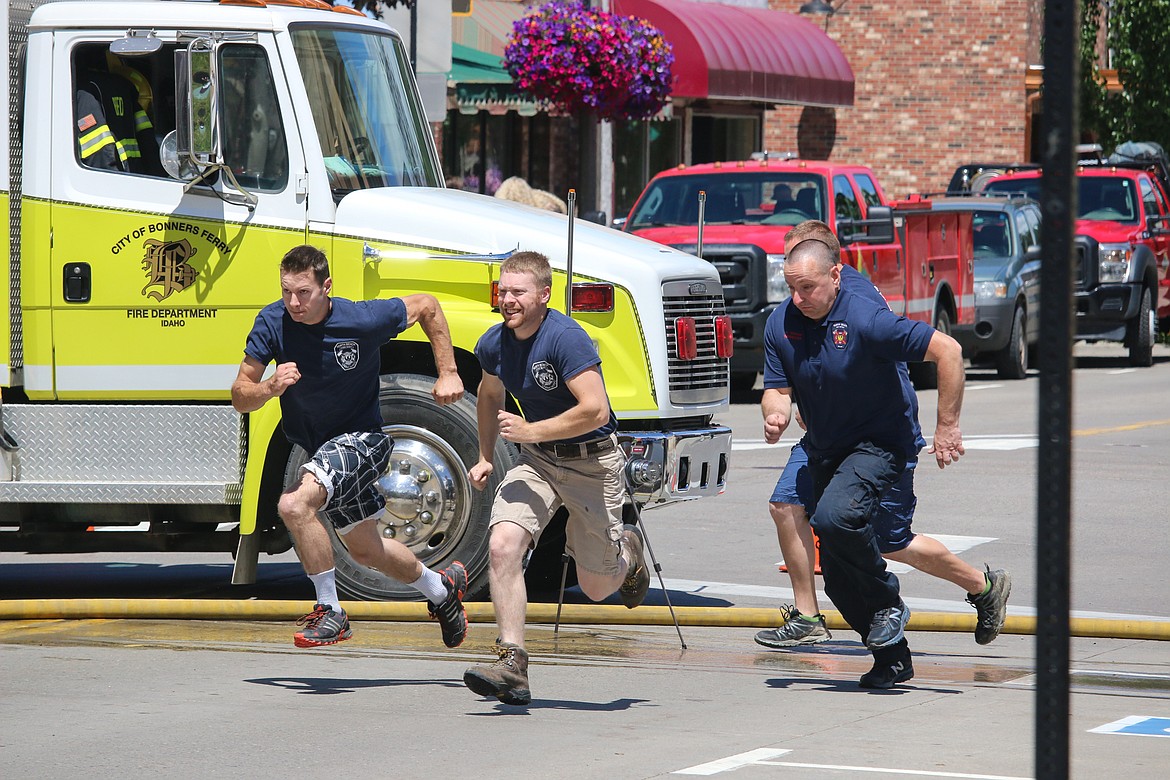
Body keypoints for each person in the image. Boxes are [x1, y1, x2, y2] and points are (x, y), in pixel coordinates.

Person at [759, 229, 1010, 688]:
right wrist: (776, 412)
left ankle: (942, 594)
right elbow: (776, 387)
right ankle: (891, 658)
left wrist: (948, 425)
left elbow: (948, 350)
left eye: (807, 287)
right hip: (825, 446)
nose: (797, 298)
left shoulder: (865, 317)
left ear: (835, 274)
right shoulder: (782, 321)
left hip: (880, 443)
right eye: (790, 286)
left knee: (849, 524)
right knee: (837, 571)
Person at [230, 244, 470, 650]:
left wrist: (448, 372)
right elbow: (239, 394)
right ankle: (443, 590)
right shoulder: (273, 322)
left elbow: (427, 305)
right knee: (366, 550)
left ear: (326, 287)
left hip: (363, 440)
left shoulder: (361, 318)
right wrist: (269, 387)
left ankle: (331, 612)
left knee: (293, 504)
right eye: (286, 291)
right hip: (322, 448)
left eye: (303, 293)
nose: (294, 302)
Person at [462, 250, 649, 706]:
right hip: (539, 463)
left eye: (518, 292)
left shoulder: (567, 338)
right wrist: (486, 455)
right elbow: (489, 395)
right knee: (503, 544)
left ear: (544, 295)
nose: (507, 299)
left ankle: (628, 550)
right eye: (502, 291)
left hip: (593, 462)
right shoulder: (493, 343)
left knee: (597, 587)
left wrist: (529, 430)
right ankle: (513, 663)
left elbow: (595, 409)